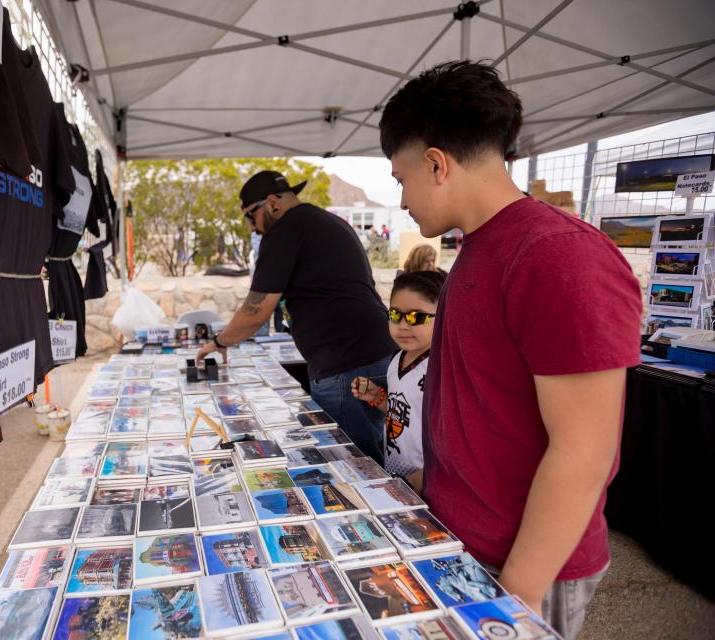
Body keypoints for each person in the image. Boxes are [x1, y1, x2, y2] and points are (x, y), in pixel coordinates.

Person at [379, 60, 641, 640]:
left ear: (435, 163)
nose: (401, 202)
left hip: (519, 567)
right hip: (460, 540)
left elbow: (585, 452)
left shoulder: (559, 257)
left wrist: (514, 597)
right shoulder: (479, 247)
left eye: (400, 180)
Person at [197, 170, 395, 464]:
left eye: (251, 217)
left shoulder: (284, 231)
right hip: (377, 353)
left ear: (273, 204)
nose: (252, 228)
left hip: (345, 365)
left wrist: (219, 341)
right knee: (369, 456)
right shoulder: (327, 221)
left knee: (350, 467)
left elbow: (256, 311)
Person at [350, 270, 444, 494]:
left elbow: (451, 441)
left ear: (443, 315)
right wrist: (377, 397)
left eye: (415, 317)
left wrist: (420, 481)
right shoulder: (397, 359)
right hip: (397, 478)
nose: (403, 325)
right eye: (395, 315)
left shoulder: (440, 367)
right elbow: (403, 413)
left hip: (426, 485)